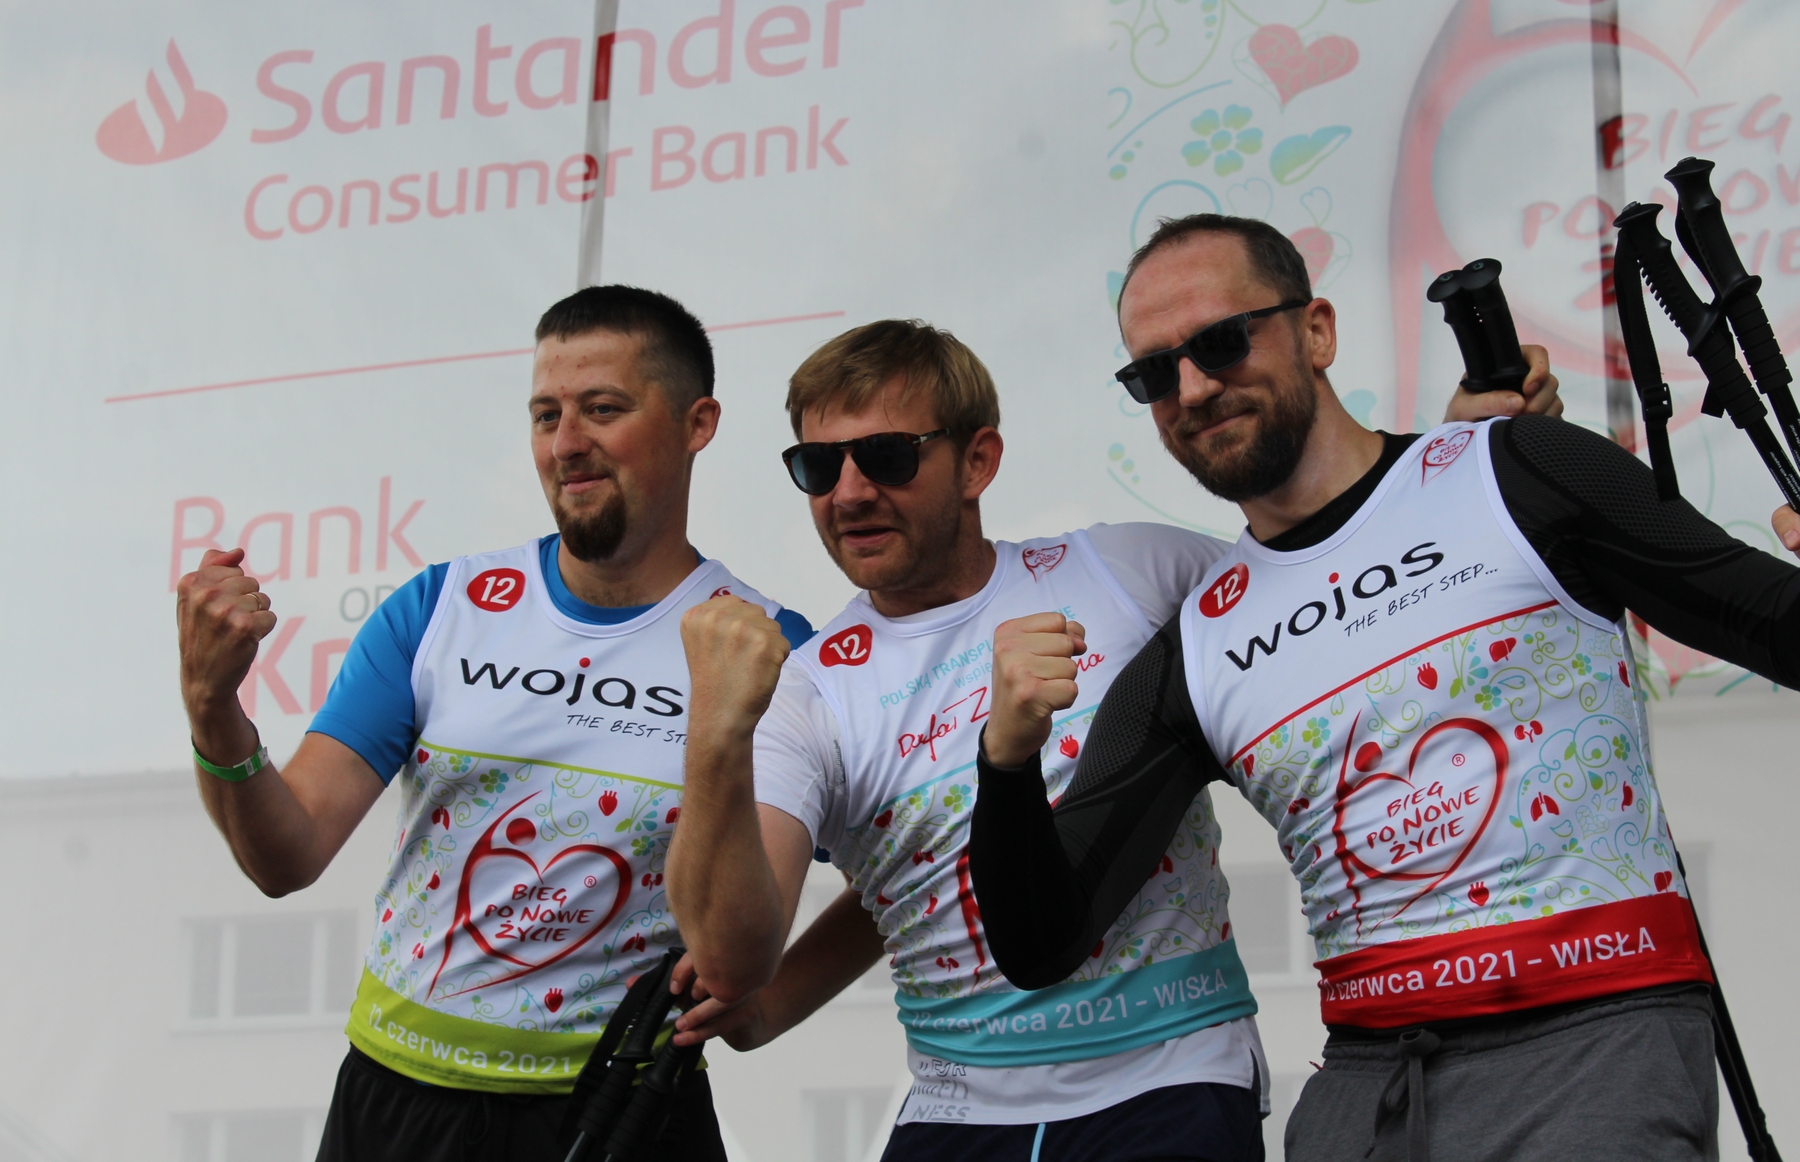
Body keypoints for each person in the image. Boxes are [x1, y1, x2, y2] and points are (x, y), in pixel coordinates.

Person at [965, 213, 1800, 1162]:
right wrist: (1006, 759)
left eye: (1222, 341)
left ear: (1317, 331)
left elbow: (1773, 624)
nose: (1192, 388)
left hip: (1593, 1040)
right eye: (1155, 372)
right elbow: (1042, 941)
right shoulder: (1194, 647)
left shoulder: (1517, 468)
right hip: (1367, 1091)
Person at [663, 313, 1557, 1161]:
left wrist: (1447, 469)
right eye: (819, 466)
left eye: (888, 456)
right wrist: (715, 737)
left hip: (1169, 1073)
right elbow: (882, 884)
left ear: (978, 461)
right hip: (958, 1104)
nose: (851, 491)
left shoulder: (1129, 571)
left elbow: (1344, 600)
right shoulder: (813, 688)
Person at [173, 286, 812, 1162]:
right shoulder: (443, 605)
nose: (566, 443)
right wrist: (214, 710)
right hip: (397, 1102)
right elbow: (286, 856)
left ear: (697, 423)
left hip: (620, 1113)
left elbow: (868, 885)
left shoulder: (768, 645)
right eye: (546, 414)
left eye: (603, 409)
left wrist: (772, 1006)